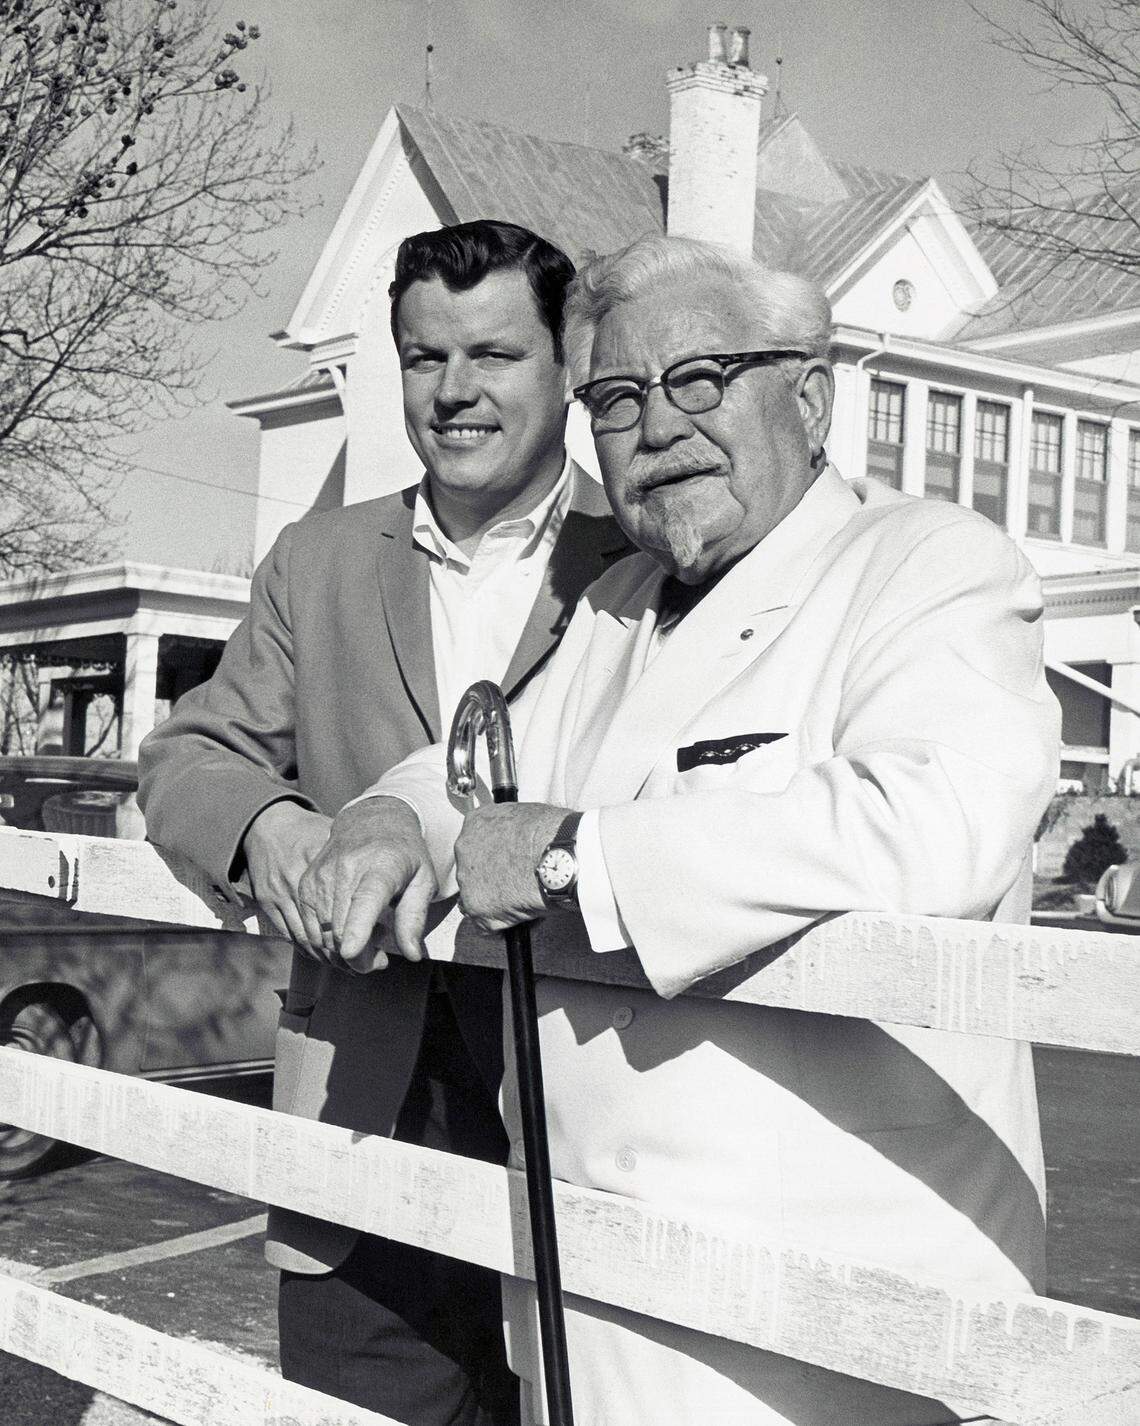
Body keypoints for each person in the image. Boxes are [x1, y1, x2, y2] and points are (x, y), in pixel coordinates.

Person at [296, 234, 1061, 1426]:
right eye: (614, 398)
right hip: (588, 1306)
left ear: (809, 395)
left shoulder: (927, 565)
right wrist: (396, 816)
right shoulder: (611, 609)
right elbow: (482, 766)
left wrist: (573, 862)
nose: (658, 425)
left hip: (818, 1330)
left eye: (701, 377)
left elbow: (939, 825)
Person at [137, 218, 627, 1426]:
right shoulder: (320, 557)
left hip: (580, 1119)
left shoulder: (642, 555)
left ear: (566, 362)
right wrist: (272, 835)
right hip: (360, 1110)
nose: (454, 391)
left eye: (494, 355)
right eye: (424, 358)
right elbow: (191, 753)